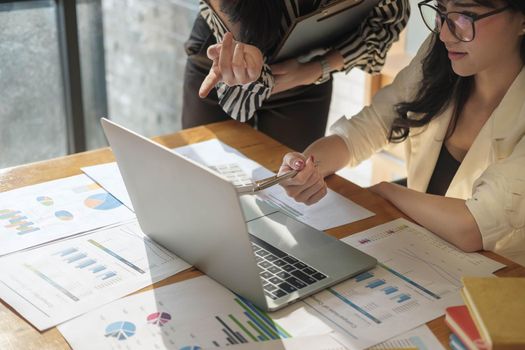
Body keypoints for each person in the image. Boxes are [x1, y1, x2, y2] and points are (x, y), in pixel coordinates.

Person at [278, 0, 525, 265]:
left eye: (466, 16)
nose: (443, 34)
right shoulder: (441, 56)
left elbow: (472, 227)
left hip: (500, 285)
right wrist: (306, 167)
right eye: (441, 11)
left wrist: (387, 191)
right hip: (421, 257)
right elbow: (367, 127)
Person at [182, 0, 410, 151]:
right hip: (221, 57)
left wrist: (318, 68)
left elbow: (389, 17)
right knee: (203, 179)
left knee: (291, 192)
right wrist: (242, 41)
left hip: (304, 70)